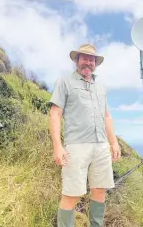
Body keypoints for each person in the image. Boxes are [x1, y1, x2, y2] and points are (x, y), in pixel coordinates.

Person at [49, 43, 121, 227]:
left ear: (95, 63)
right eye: (84, 58)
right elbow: (55, 114)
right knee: (71, 194)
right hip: (76, 146)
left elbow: (107, 116)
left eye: (92, 59)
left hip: (101, 146)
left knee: (99, 191)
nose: (88, 62)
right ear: (77, 60)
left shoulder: (101, 86)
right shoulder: (64, 82)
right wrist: (57, 145)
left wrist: (114, 143)